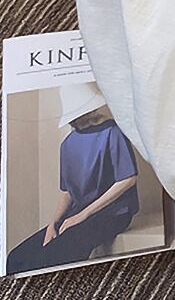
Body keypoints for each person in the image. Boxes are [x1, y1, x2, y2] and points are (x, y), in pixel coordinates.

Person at [6, 83, 139, 274]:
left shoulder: (112, 131)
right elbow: (67, 191)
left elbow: (128, 179)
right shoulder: (67, 144)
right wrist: (53, 223)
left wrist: (82, 216)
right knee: (16, 258)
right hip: (77, 214)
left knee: (51, 256)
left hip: (114, 214)